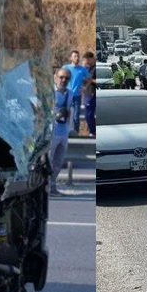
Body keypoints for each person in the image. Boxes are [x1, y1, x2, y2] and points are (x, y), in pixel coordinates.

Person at [49, 67, 74, 195]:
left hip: (63, 133)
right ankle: (45, 188)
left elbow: (70, 111)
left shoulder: (70, 93)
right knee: (48, 162)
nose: (63, 80)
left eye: (67, 78)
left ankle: (52, 187)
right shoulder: (50, 93)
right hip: (51, 133)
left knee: (58, 162)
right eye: (61, 77)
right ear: (55, 77)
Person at [62, 50, 90, 133]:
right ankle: (64, 131)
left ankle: (76, 132)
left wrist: (85, 87)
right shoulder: (66, 68)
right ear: (71, 58)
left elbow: (89, 79)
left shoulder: (82, 69)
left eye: (78, 56)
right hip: (66, 95)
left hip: (77, 96)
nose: (77, 58)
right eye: (75, 56)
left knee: (76, 116)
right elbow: (57, 76)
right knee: (65, 114)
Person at [83, 51, 98, 136]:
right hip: (87, 93)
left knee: (89, 113)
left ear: (93, 59)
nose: (87, 61)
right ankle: (92, 130)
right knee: (88, 114)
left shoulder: (95, 68)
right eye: (86, 60)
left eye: (89, 59)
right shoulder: (87, 69)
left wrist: (91, 80)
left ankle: (92, 131)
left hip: (93, 93)